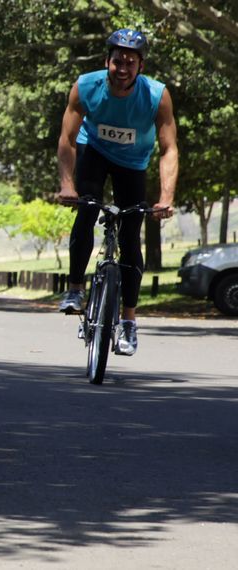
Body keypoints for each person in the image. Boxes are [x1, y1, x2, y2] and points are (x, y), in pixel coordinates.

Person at [56, 28, 177, 356]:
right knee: (88, 208)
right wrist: (68, 184)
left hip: (133, 163)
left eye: (130, 62)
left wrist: (166, 197)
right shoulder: (85, 87)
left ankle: (128, 321)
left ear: (141, 66)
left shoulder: (156, 96)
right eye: (117, 61)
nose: (122, 68)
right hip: (93, 151)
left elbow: (169, 149)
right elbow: (66, 140)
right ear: (106, 61)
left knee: (130, 235)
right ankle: (75, 289)